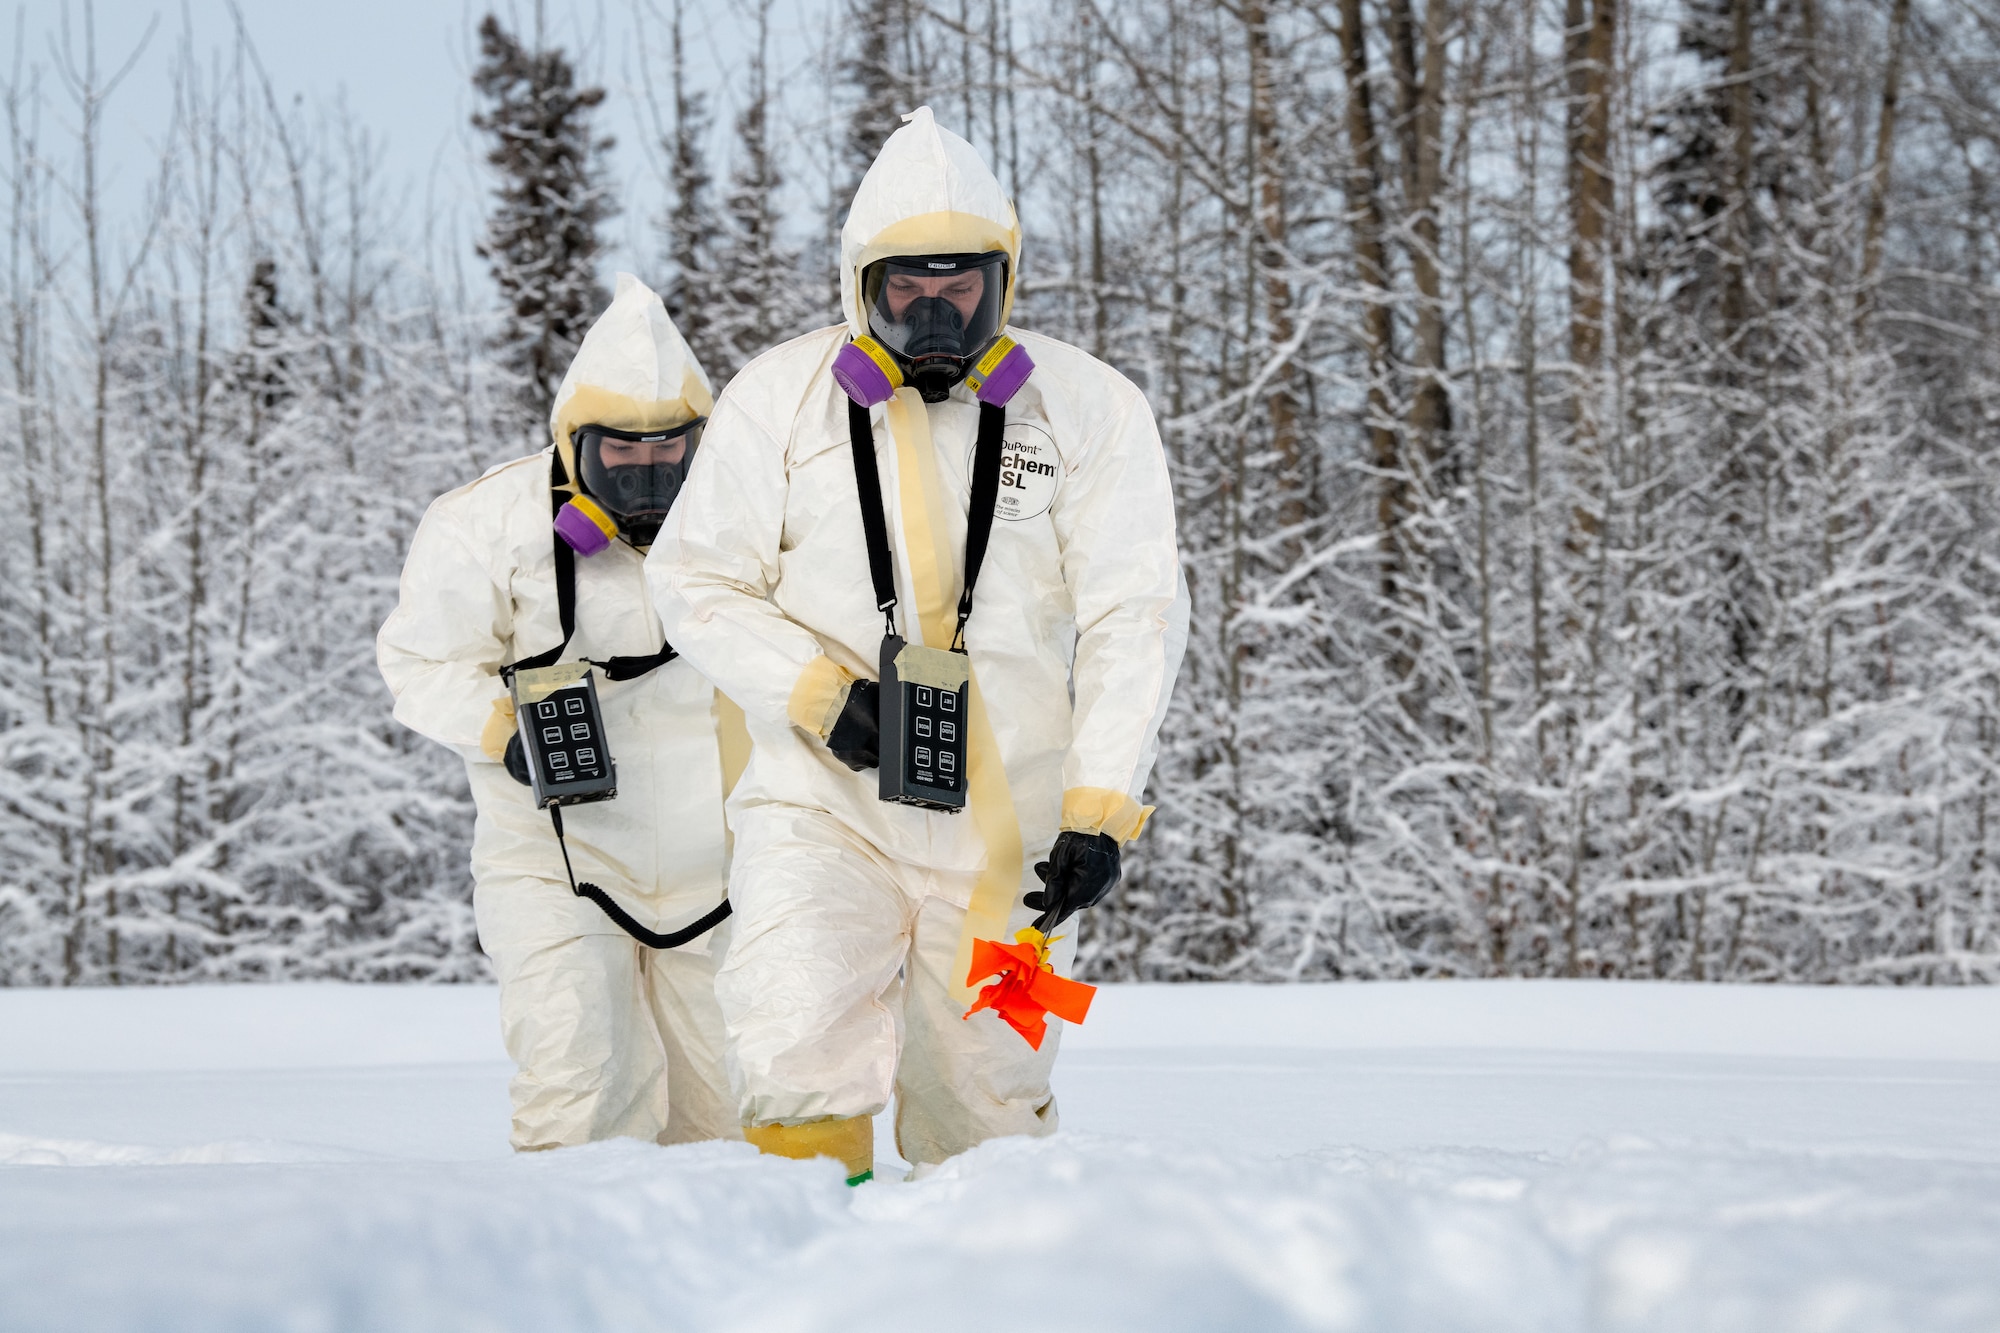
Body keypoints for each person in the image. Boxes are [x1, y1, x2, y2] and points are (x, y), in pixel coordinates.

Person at [648, 107, 1188, 1183]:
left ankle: (982, 1284)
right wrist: (821, 697)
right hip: (820, 807)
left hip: (1017, 839)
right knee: (791, 1033)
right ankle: (805, 1271)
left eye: (960, 286)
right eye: (907, 287)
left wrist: (1098, 809)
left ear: (1004, 280)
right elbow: (691, 579)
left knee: (994, 1087)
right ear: (863, 286)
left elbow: (1137, 611)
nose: (933, 309)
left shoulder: (1090, 410)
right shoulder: (778, 400)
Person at [379, 275, 745, 1152]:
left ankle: (741, 1279)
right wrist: (501, 730)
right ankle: (576, 1275)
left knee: (737, 1109)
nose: (648, 474)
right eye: (621, 453)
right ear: (574, 443)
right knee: (579, 1086)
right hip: (556, 861)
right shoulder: (485, 524)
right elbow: (417, 661)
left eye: (670, 452)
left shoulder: (747, 517)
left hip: (722, 869)